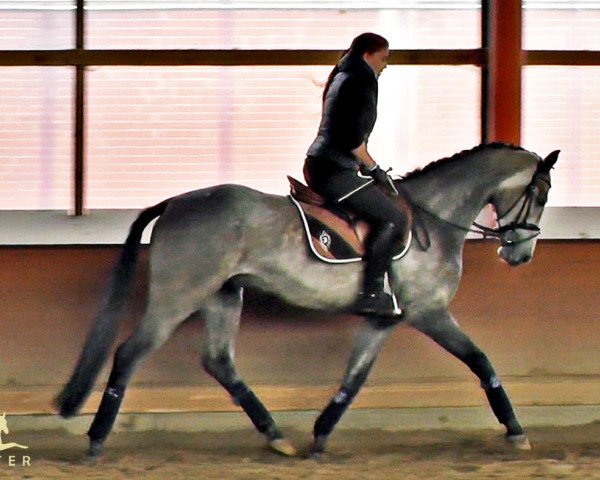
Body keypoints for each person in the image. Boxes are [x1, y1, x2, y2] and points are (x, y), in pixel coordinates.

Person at [304, 32, 410, 318]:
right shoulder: (359, 81)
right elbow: (352, 140)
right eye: (383, 58)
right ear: (367, 55)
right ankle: (372, 292)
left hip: (325, 163)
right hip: (333, 170)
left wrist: (365, 167)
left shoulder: (343, 75)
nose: (385, 65)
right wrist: (374, 169)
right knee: (394, 218)